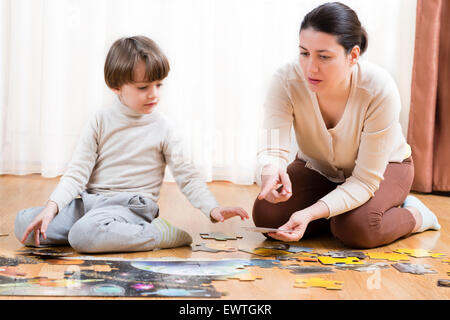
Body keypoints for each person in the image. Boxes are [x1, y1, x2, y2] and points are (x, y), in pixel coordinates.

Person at [15, 35, 248, 253]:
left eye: (158, 85)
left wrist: (213, 209)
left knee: (82, 235)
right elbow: (77, 172)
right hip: (91, 203)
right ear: (116, 86)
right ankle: (105, 234)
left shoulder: (164, 128)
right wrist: (51, 208)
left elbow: (188, 177)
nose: (154, 94)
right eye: (143, 87)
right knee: (24, 223)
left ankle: (157, 233)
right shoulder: (100, 120)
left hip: (131, 206)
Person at [253, 2, 440, 248]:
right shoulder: (285, 80)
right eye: (304, 53)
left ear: (352, 55)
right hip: (318, 168)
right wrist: (270, 170)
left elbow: (364, 180)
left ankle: (415, 215)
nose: (311, 67)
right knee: (267, 214)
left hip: (385, 169)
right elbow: (272, 147)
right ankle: (338, 213)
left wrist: (309, 213)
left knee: (357, 228)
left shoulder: (379, 88)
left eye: (324, 56)